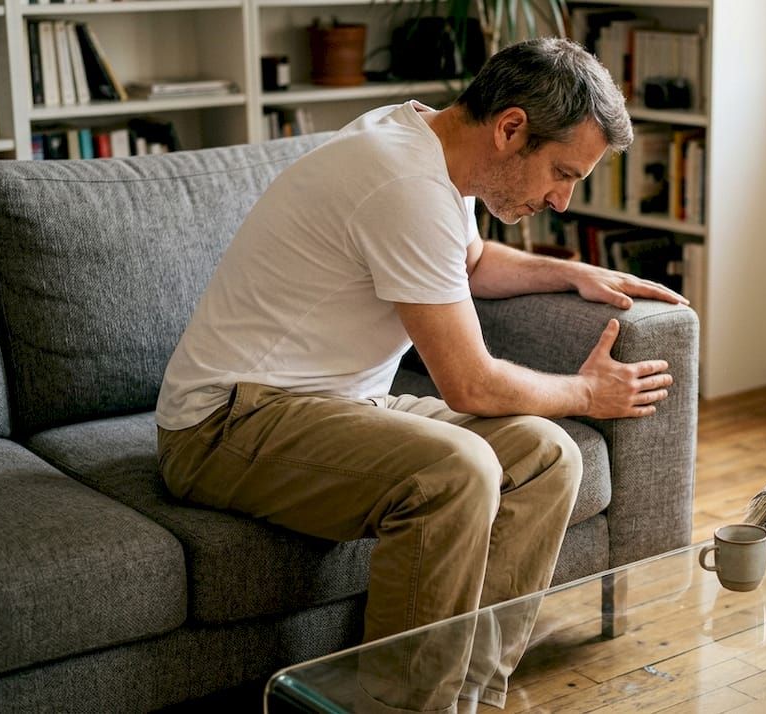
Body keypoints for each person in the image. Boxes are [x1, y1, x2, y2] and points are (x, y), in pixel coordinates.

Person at [155, 37, 687, 712]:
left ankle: (469, 697)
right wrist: (588, 393)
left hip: (339, 405)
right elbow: (471, 386)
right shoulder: (403, 180)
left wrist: (570, 271)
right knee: (455, 471)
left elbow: (465, 262)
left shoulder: (433, 147)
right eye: (564, 172)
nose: (561, 200)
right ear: (511, 128)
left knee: (548, 457)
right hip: (225, 421)